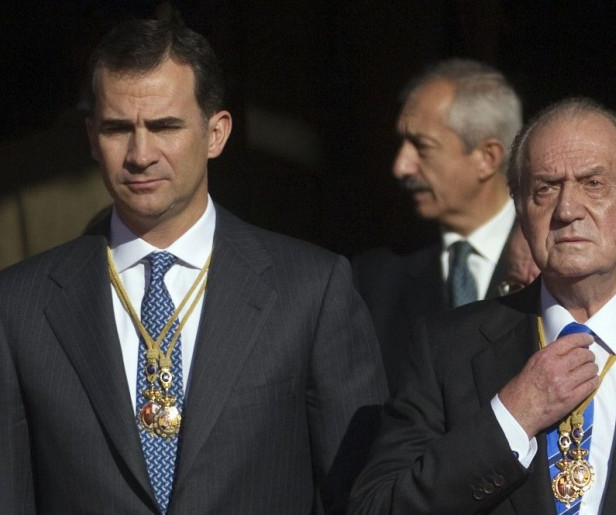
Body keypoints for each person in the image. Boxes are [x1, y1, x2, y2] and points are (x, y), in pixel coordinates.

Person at [0, 19, 387, 514]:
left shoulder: (311, 289)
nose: (141, 155)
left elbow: (361, 496)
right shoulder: (20, 306)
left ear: (216, 133)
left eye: (164, 127)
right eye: (119, 129)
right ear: (92, 139)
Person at [348, 97, 616, 514]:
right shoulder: (446, 349)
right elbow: (377, 507)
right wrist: (511, 418)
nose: (567, 210)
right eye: (545, 188)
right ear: (520, 208)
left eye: (593, 184)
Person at [352, 59, 523, 393]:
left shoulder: (554, 262)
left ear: (487, 157)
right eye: (403, 144)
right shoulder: (377, 275)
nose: (401, 166)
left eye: (422, 147)